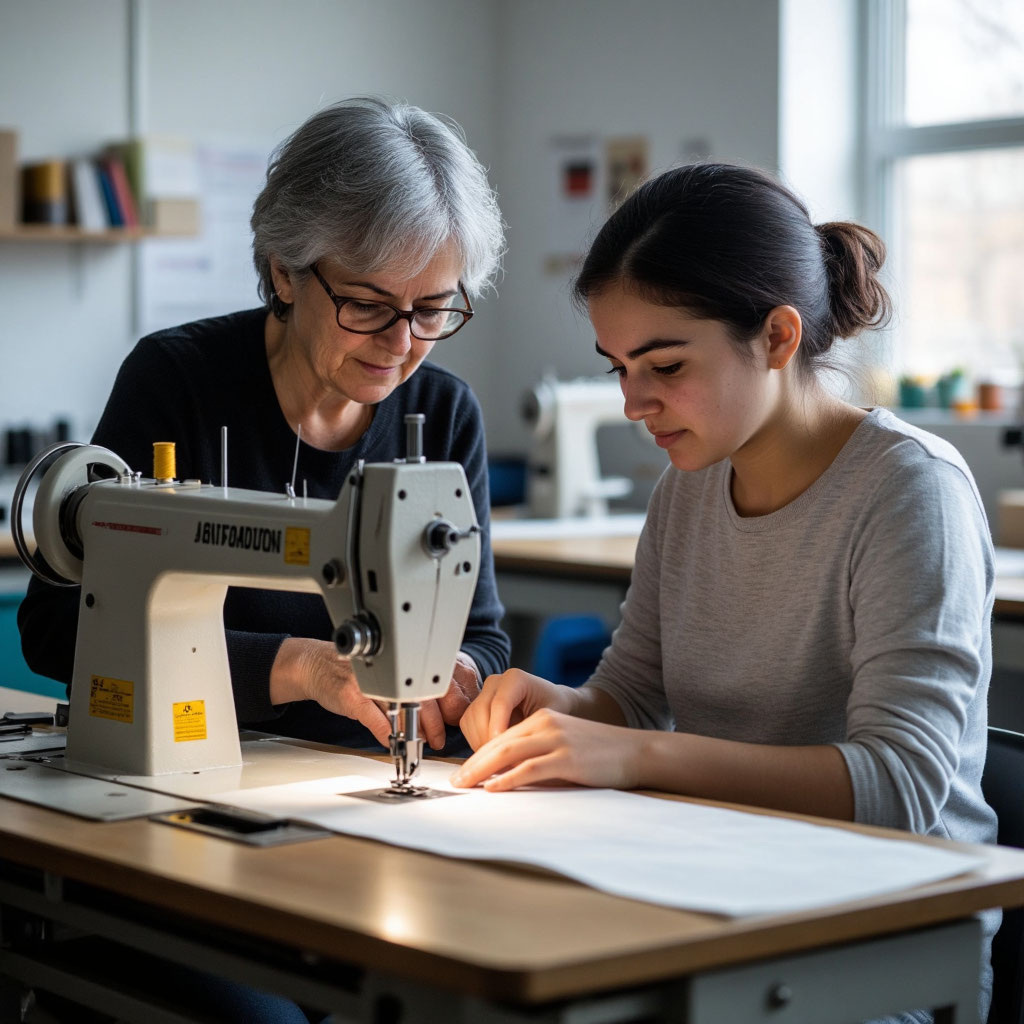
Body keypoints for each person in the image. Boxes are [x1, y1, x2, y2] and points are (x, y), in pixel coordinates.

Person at [451, 163, 997, 1024]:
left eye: (663, 364)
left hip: (878, 940)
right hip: (716, 888)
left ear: (778, 337)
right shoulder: (691, 486)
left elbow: (898, 787)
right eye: (618, 369)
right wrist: (548, 707)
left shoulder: (910, 492)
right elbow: (631, 694)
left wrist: (632, 757)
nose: (634, 402)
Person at [19, 95, 510, 758]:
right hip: (198, 753)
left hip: (361, 766)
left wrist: (462, 672)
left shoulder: (445, 414)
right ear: (284, 271)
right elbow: (58, 629)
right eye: (367, 305)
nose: (401, 342)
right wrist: (303, 669)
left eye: (432, 309)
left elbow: (480, 631)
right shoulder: (177, 382)